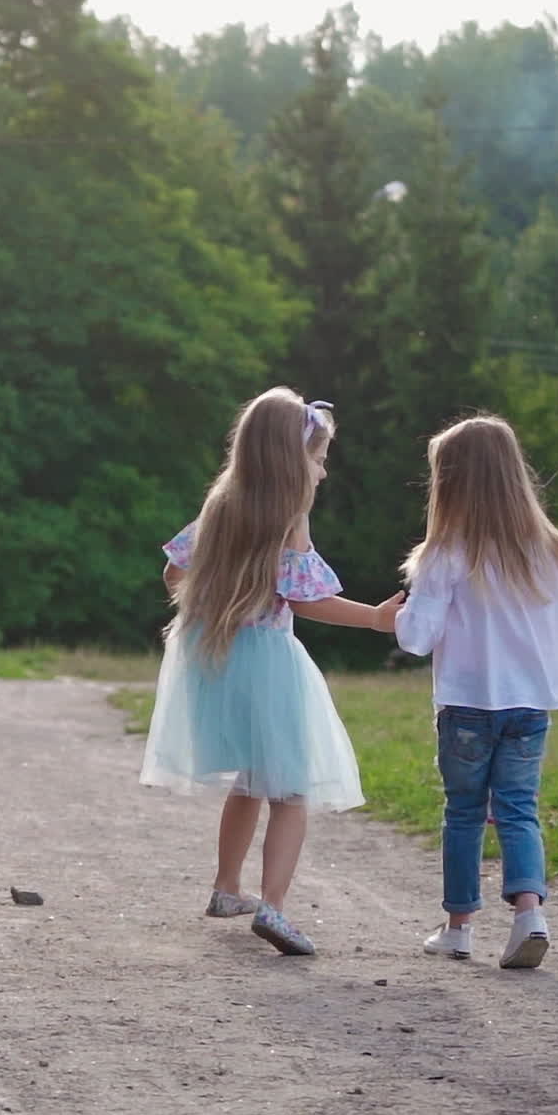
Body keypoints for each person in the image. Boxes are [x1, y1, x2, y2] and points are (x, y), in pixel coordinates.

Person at [141, 387, 402, 956]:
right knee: (290, 791)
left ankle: (226, 887)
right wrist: (378, 620)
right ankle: (275, 909)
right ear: (292, 459)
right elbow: (306, 600)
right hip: (266, 659)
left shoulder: (220, 504)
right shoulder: (291, 517)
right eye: (319, 457)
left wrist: (217, 602)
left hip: (214, 652)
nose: (324, 470)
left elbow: (172, 574)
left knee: (252, 779)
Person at [395, 415, 558, 969]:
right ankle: (530, 916)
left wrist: (397, 615)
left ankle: (458, 928)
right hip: (530, 704)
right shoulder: (556, 550)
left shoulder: (444, 553)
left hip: (466, 705)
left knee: (464, 811)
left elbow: (416, 638)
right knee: (518, 809)